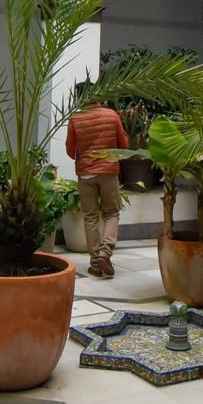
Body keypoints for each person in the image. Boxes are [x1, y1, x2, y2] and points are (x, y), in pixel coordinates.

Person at [65, 98, 128, 278]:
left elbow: (70, 150)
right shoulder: (111, 115)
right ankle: (105, 253)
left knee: (90, 216)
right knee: (111, 213)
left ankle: (95, 264)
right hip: (108, 171)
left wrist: (84, 156)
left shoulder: (75, 119)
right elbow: (124, 144)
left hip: (86, 173)